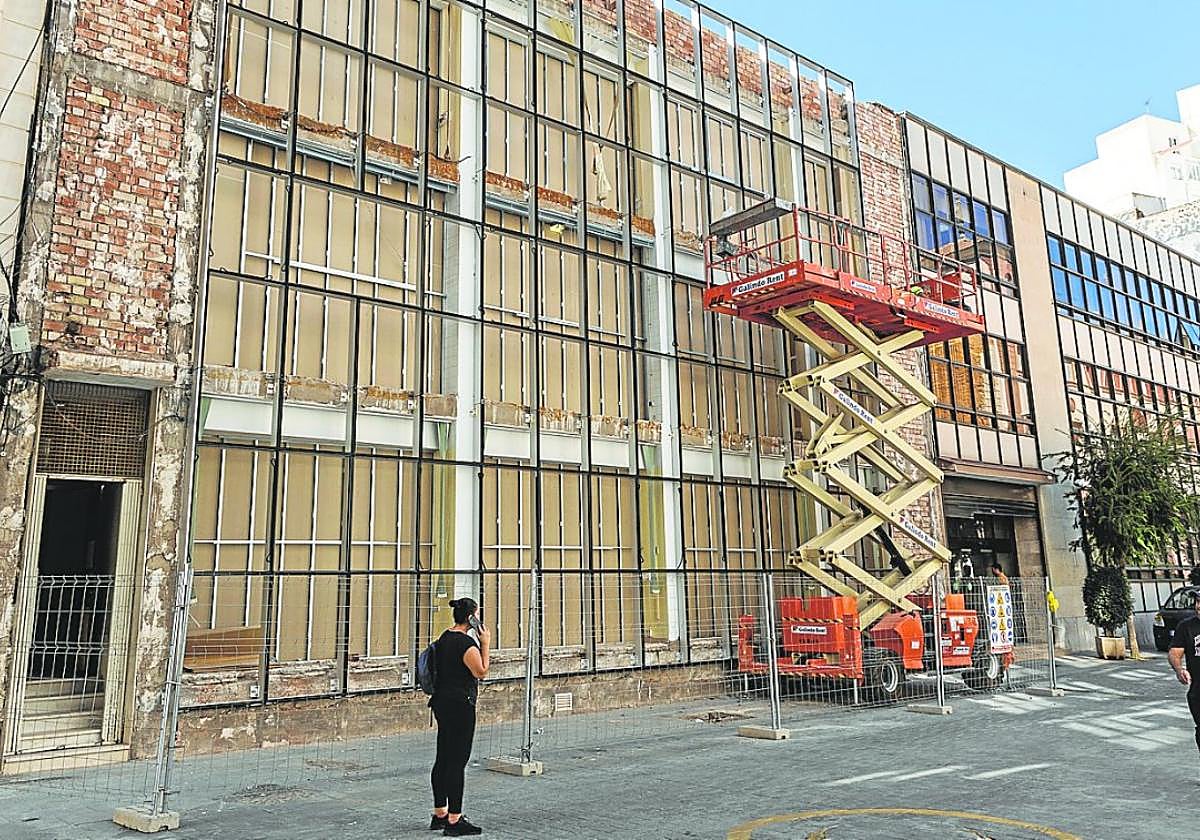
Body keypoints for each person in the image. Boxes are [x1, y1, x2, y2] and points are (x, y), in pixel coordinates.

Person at [429, 597, 490, 836]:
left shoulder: (444, 638)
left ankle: (440, 813)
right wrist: (485, 643)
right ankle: (455, 820)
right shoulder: (466, 645)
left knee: (443, 757)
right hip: (460, 706)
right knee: (457, 761)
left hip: (441, 703)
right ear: (471, 618)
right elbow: (481, 671)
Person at [1168, 591, 1200, 757]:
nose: (1199, 606)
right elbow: (1175, 652)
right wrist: (1179, 669)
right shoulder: (1186, 626)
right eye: (1197, 602)